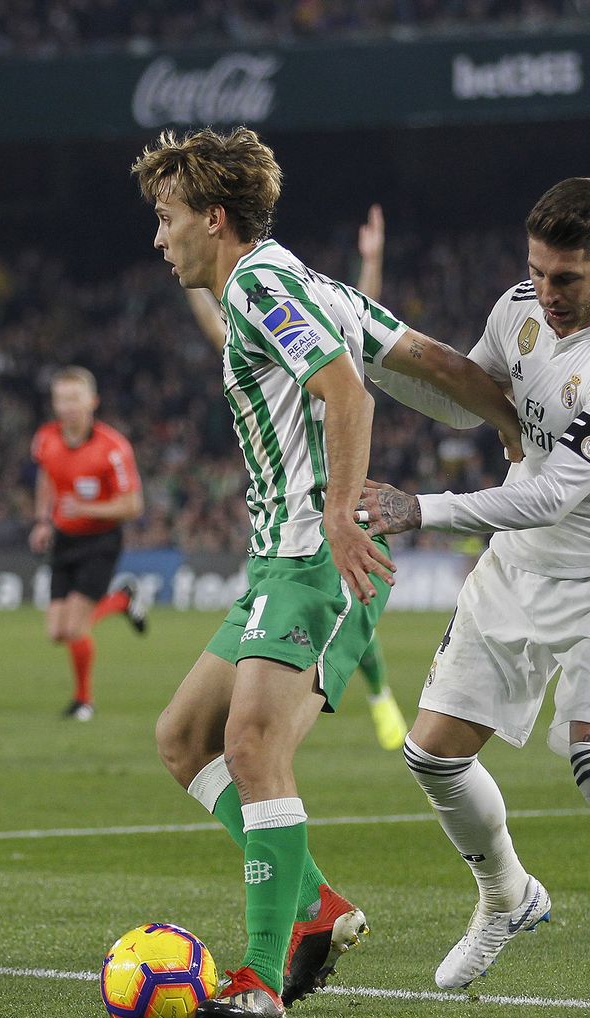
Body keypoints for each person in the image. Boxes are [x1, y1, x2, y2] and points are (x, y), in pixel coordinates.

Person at [132, 126, 520, 1018]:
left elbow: (349, 392)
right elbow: (430, 359)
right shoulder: (310, 283)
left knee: (255, 747)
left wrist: (342, 511)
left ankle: (259, 981)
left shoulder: (264, 283)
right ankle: (317, 906)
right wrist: (512, 426)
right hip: (282, 558)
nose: (159, 238)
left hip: (316, 553)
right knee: (185, 739)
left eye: (168, 216)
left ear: (213, 218)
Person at [359, 177, 590, 1018]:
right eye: (539, 272)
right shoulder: (519, 307)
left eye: (567, 279)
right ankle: (508, 895)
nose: (547, 294)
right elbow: (461, 398)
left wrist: (424, 509)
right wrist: (364, 347)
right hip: (517, 568)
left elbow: (552, 495)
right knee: (432, 755)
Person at [184, 205, 410, 752]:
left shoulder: (289, 330)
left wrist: (370, 263)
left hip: (319, 520)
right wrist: (195, 276)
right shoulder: (245, 344)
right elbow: (219, 324)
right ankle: (378, 699)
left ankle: (381, 699)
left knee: (255, 747)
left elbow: (355, 326)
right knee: (193, 740)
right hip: (274, 532)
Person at [28, 366, 148, 721]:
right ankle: (122, 599)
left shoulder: (113, 449)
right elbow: (46, 477)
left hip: (100, 541)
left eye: (74, 398)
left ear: (92, 402)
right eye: (61, 399)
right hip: (64, 540)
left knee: (76, 629)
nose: (67, 406)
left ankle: (84, 701)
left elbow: (132, 505)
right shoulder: (45, 439)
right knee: (56, 632)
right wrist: (42, 520)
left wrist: (87, 508)